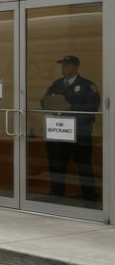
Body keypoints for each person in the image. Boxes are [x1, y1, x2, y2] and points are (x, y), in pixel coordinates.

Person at [41, 55, 101, 202]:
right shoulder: (57, 84)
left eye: (66, 66)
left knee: (83, 165)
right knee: (57, 163)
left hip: (79, 132)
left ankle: (89, 195)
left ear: (75, 67)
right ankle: (56, 193)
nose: (63, 68)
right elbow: (45, 101)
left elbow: (93, 107)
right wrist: (52, 106)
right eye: (62, 66)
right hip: (59, 131)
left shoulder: (87, 85)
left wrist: (70, 108)